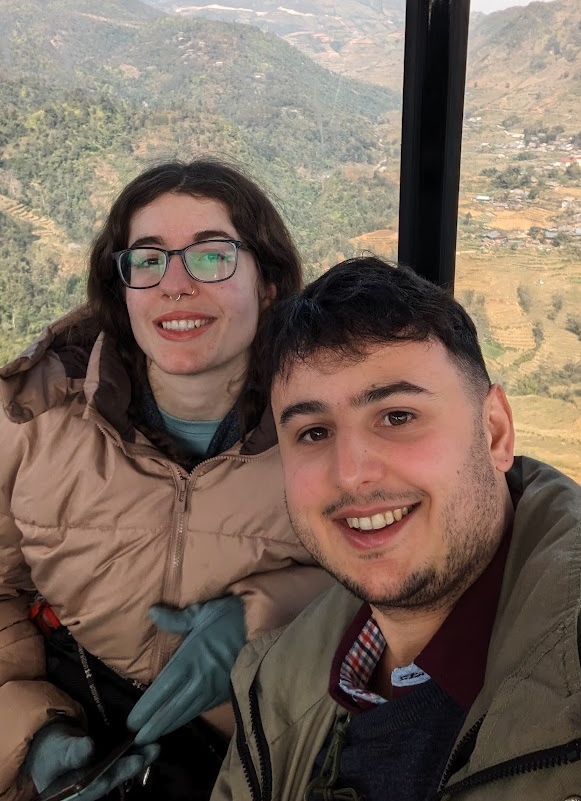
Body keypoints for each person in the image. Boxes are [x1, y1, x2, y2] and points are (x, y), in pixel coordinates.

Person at [0, 159, 331, 801]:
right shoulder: (29, 420)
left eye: (211, 257)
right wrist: (26, 736)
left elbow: (413, 577)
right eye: (148, 261)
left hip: (273, 754)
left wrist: (264, 617)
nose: (174, 285)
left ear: (267, 283)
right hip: (84, 734)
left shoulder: (333, 424)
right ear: (121, 291)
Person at [212, 256, 581, 801]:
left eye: (397, 417)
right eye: (314, 433)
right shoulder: (274, 680)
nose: (352, 473)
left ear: (495, 432)